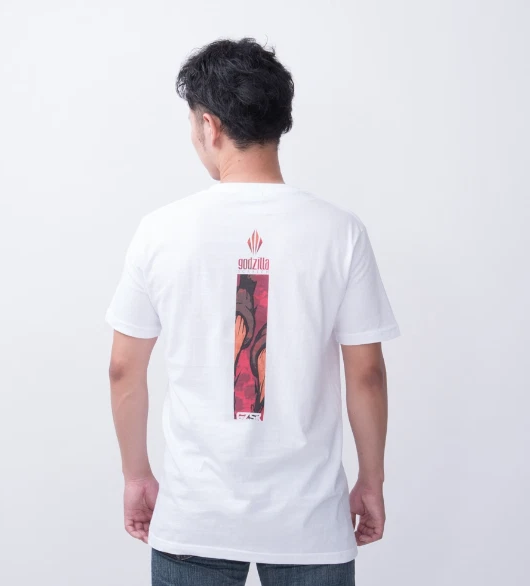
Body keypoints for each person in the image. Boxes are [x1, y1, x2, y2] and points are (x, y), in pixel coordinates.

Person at [106, 37, 400, 586]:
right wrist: (371, 480)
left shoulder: (160, 231)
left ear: (210, 126)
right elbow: (367, 374)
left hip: (194, 517)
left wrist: (136, 475)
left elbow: (124, 368)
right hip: (310, 522)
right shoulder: (339, 232)